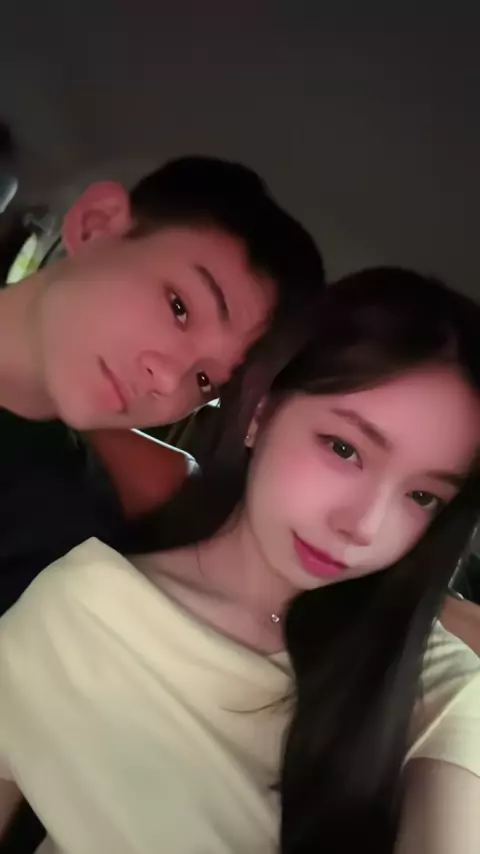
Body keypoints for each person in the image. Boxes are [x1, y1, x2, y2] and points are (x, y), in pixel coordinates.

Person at [1, 267, 479, 854]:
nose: (363, 527)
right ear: (260, 414)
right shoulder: (76, 612)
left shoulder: (436, 683)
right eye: (344, 448)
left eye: (423, 496)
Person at [0, 154, 325, 614]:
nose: (170, 380)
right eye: (179, 308)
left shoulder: (58, 534)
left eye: (206, 381)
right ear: (95, 225)